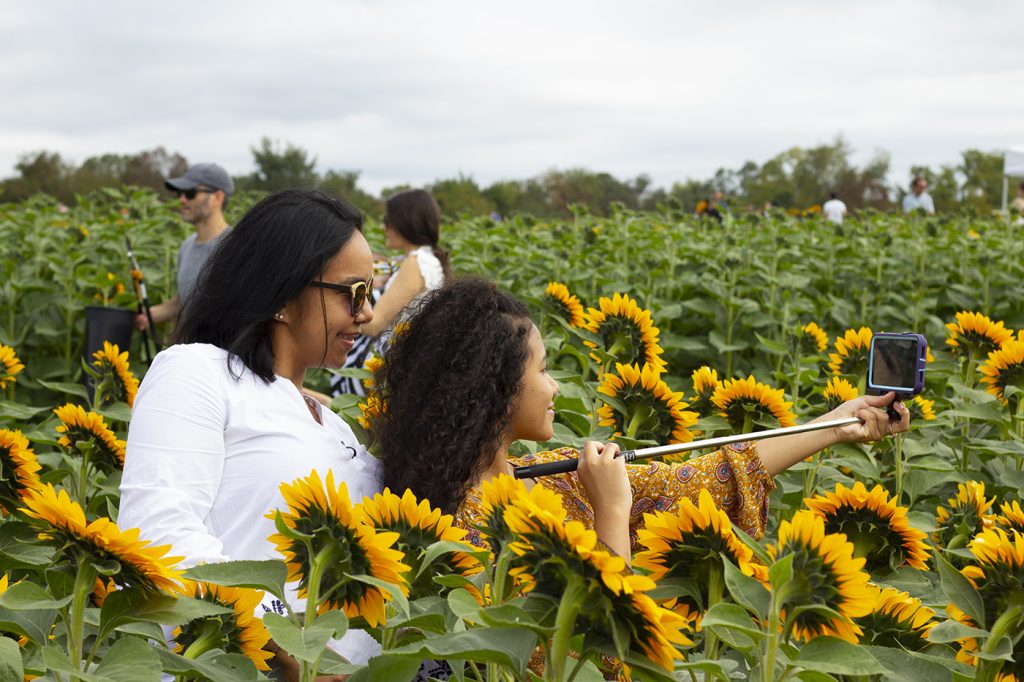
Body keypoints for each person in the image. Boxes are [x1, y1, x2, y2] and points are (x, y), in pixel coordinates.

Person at [374, 278, 910, 559]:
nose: (555, 385)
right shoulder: (459, 527)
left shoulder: (555, 476)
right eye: (543, 369)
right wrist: (611, 513)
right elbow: (590, 645)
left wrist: (833, 426)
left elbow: (708, 478)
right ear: (495, 390)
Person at [119, 189, 380, 678]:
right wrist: (304, 659)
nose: (365, 314)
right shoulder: (199, 372)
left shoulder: (335, 423)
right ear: (283, 293)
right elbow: (160, 533)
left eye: (372, 292)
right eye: (354, 293)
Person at [331, 189, 449, 396]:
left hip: (380, 370)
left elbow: (374, 324)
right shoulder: (422, 260)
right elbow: (381, 269)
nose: (384, 227)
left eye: (387, 220)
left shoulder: (416, 263)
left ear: (405, 222)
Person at [135, 162, 234, 332]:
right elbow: (184, 302)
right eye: (180, 194)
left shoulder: (236, 247)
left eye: (190, 193)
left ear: (217, 197)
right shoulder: (187, 246)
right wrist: (148, 315)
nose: (182, 200)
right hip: (191, 353)